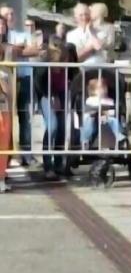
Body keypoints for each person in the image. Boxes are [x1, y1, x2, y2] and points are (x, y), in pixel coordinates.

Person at [34, 36, 78, 180]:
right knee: (52, 126)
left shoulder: (69, 56)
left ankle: (59, 164)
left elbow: (74, 74)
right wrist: (51, 96)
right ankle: (48, 165)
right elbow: (39, 82)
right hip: (46, 93)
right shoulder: (45, 61)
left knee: (62, 128)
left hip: (63, 92)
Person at [2, 5, 41, 166]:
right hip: (6, 81)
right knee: (6, 119)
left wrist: (14, 50)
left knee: (25, 117)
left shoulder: (22, 34)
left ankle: (27, 154)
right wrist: (19, 48)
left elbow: (35, 50)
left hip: (23, 77)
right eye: (6, 15)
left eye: (12, 13)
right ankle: (8, 156)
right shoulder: (3, 36)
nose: (10, 17)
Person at [0, 41, 13, 192]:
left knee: (3, 147)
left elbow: (8, 93)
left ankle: (1, 179)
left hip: (3, 110)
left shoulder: (4, 71)